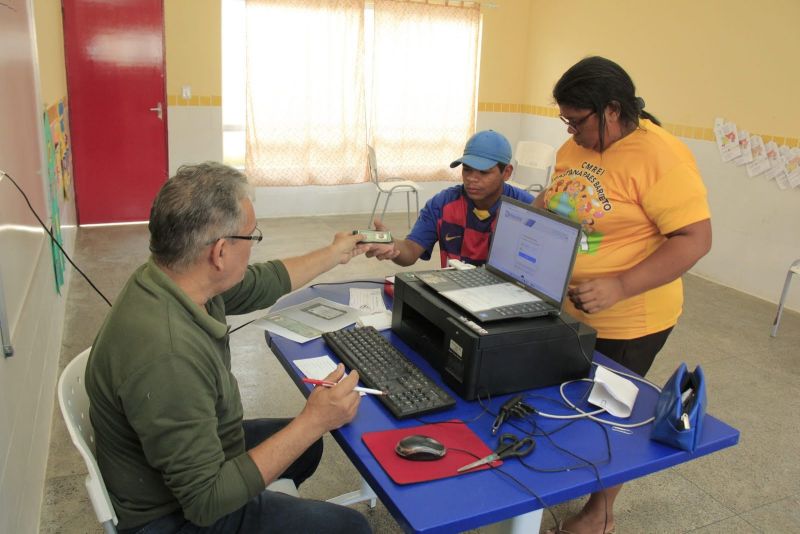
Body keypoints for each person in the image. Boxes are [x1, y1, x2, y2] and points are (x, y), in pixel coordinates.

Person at [85, 162, 374, 534]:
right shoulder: (168, 356)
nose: (254, 247)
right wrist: (313, 420)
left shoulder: (174, 277)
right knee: (352, 528)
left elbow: (264, 282)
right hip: (171, 516)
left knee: (307, 448)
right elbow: (206, 502)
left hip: (178, 464)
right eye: (252, 237)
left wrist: (336, 252)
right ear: (220, 252)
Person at [537, 57, 712, 534]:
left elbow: (695, 239)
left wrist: (619, 285)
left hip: (631, 317)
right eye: (566, 121)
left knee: (609, 412)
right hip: (569, 307)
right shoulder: (575, 148)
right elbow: (553, 199)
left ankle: (601, 514)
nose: (571, 132)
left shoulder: (661, 156)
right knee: (568, 401)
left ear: (611, 110)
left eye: (578, 121)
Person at [368, 130, 534, 267]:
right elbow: (410, 252)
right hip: (454, 296)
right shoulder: (441, 205)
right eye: (467, 170)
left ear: (506, 173)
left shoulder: (528, 208)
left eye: (483, 172)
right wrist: (390, 244)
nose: (472, 179)